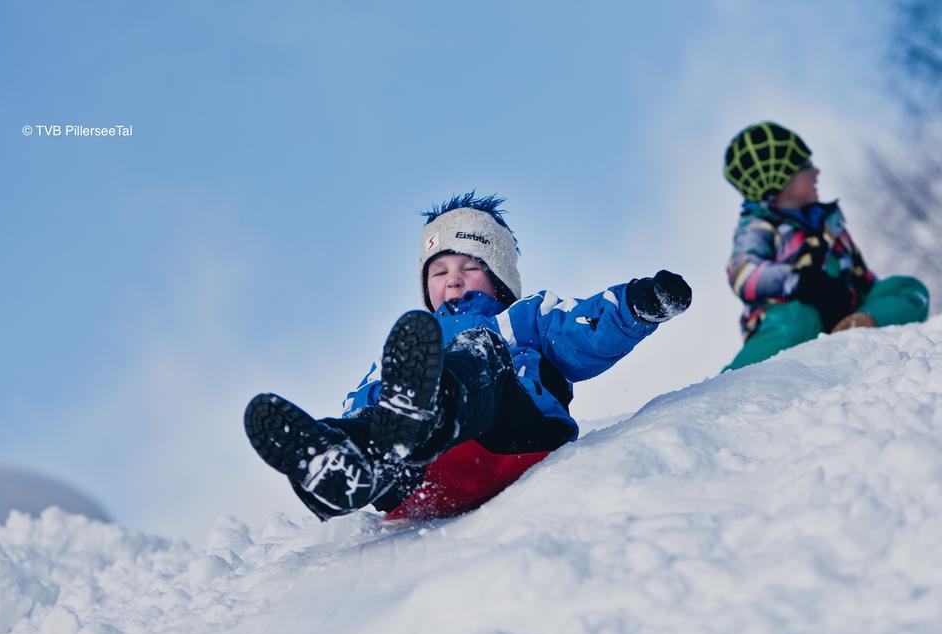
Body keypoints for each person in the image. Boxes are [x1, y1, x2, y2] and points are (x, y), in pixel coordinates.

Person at [244, 192, 692, 521]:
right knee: (377, 417)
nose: (453, 281)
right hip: (425, 478)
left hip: (513, 440)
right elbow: (364, 398)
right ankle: (336, 463)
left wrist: (637, 305)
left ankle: (423, 415)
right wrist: (361, 427)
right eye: (439, 272)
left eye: (470, 267)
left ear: (498, 278)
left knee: (480, 351)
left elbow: (580, 332)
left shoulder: (525, 317)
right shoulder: (408, 352)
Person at [722, 122, 930, 371]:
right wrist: (803, 282)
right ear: (780, 179)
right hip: (793, 324)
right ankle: (732, 381)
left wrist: (873, 299)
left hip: (845, 314)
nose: (816, 172)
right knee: (799, 320)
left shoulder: (831, 226)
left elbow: (863, 277)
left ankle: (861, 323)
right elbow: (743, 273)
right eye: (805, 166)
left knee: (910, 289)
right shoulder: (758, 226)